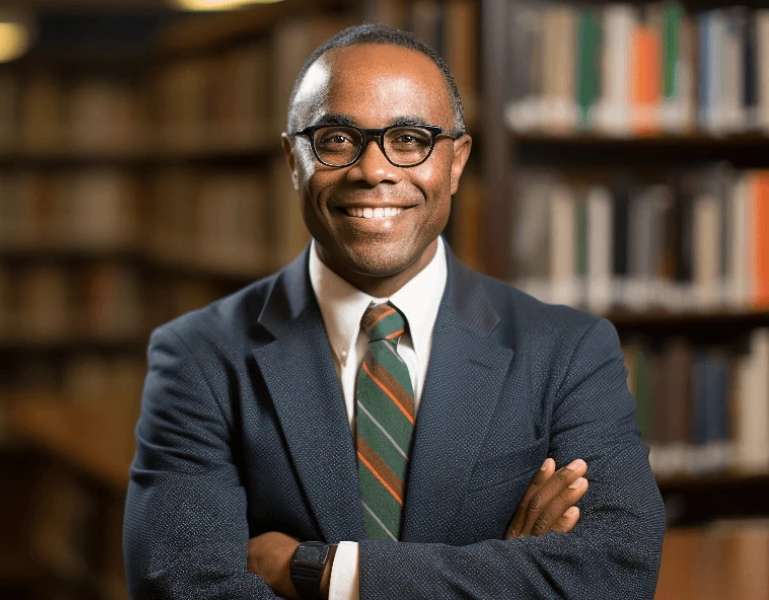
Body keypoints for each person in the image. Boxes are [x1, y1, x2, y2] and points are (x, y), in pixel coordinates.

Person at [123, 24, 665, 600]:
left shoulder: (569, 350)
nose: (373, 170)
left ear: (457, 162)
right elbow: (181, 586)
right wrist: (508, 570)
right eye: (336, 139)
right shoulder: (197, 356)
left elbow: (616, 570)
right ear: (293, 159)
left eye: (409, 139)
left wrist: (323, 572)